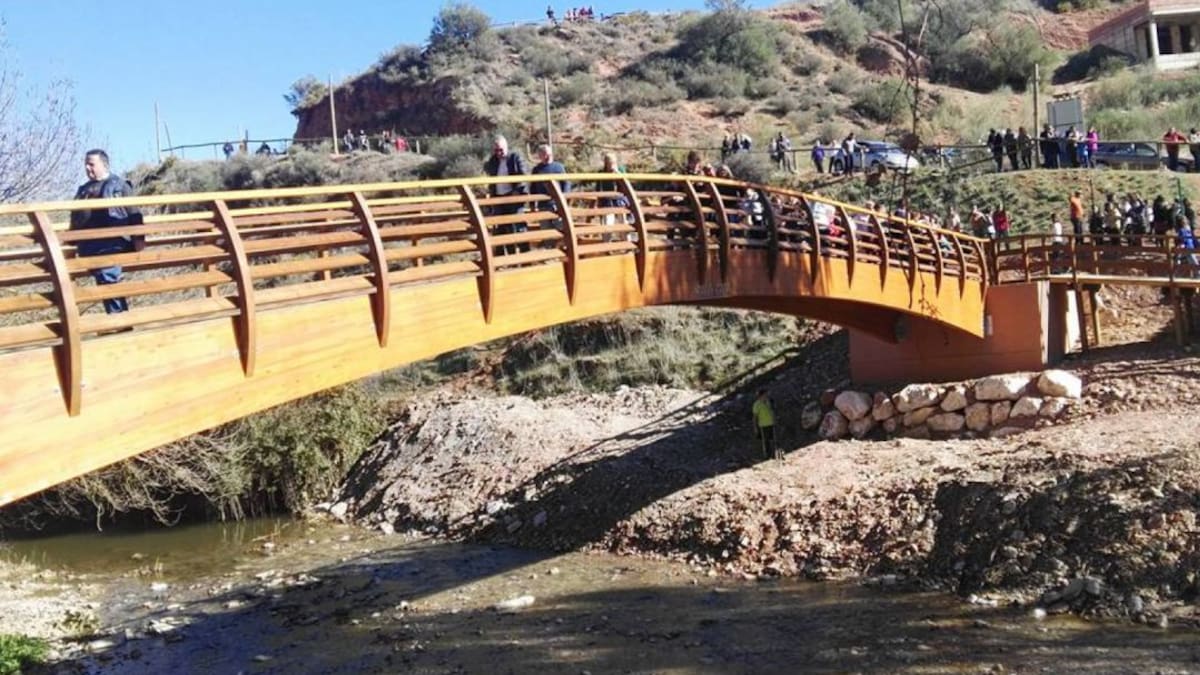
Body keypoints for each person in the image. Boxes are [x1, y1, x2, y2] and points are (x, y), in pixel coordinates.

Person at [71, 150, 141, 315]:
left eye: (91, 164)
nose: (87, 168)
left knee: (107, 275)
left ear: (104, 164)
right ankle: (120, 319)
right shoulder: (83, 190)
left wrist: (139, 238)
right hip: (88, 245)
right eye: (86, 164)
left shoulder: (120, 186)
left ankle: (119, 319)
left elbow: (134, 212)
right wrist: (70, 242)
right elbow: (75, 218)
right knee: (104, 279)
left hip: (114, 242)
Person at [483, 135, 529, 255]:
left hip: (513, 197)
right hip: (498, 198)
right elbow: (490, 177)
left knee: (519, 226)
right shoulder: (493, 161)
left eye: (501, 150)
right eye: (496, 150)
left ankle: (525, 255)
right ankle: (508, 256)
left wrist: (517, 190)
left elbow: (523, 175)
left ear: (506, 147)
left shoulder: (515, 157)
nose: (499, 153)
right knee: (501, 228)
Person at [530, 144, 571, 244]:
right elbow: (533, 188)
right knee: (546, 232)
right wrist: (532, 204)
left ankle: (564, 249)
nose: (548, 156)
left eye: (549, 154)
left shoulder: (559, 167)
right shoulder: (537, 170)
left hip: (557, 204)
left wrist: (564, 199)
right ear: (540, 156)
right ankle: (549, 250)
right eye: (544, 154)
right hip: (543, 205)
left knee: (561, 229)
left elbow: (566, 183)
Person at [751, 389, 780, 460]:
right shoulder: (756, 405)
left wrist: (775, 419)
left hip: (771, 423)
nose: (766, 396)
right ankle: (767, 455)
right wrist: (755, 427)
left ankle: (776, 453)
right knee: (766, 441)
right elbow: (755, 417)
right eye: (765, 394)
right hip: (763, 425)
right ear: (761, 396)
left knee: (774, 439)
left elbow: (772, 411)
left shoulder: (769, 402)